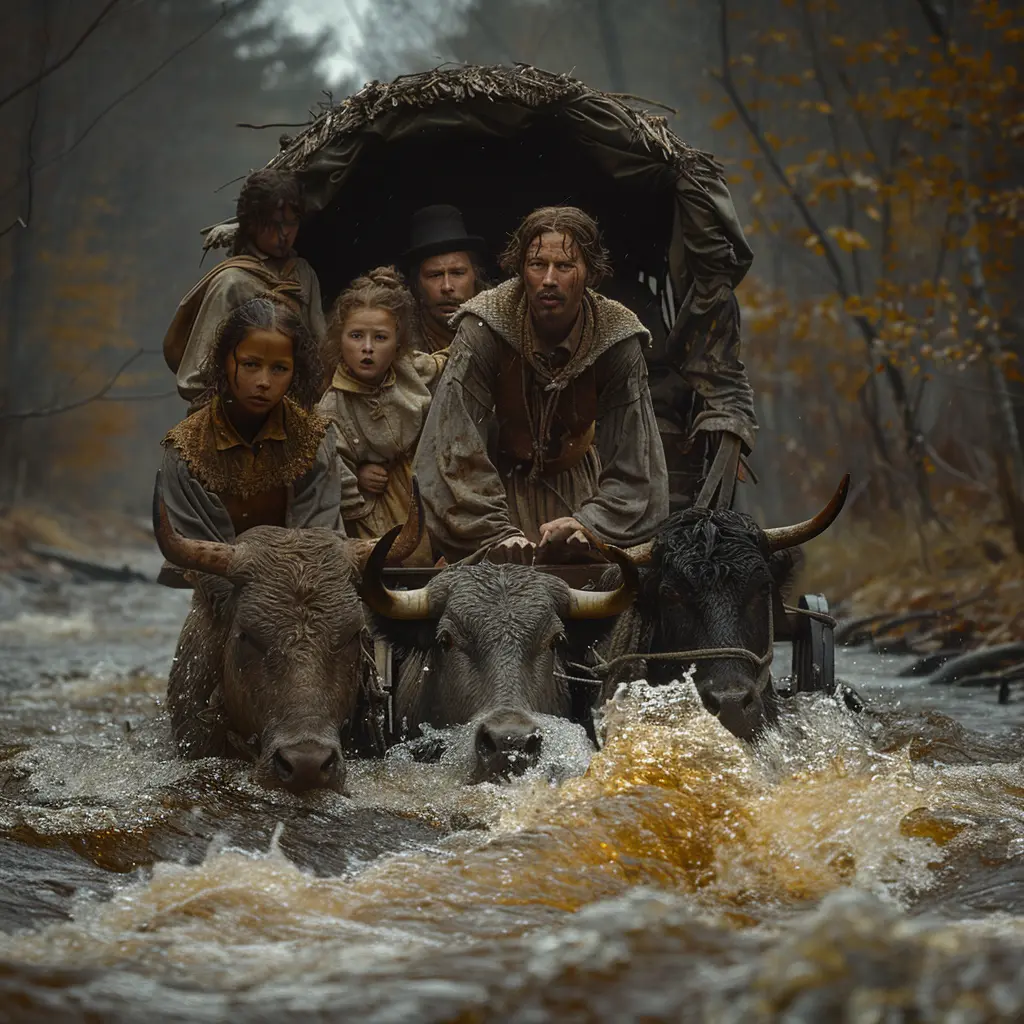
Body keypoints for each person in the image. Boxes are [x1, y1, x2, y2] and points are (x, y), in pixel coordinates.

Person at [413, 205, 669, 563]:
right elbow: (451, 448)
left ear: (590, 273)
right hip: (494, 494)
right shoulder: (484, 327)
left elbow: (637, 470)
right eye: (537, 265)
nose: (549, 279)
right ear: (521, 271)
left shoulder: (616, 337)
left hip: (582, 490)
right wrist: (495, 533)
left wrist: (589, 525)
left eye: (564, 266)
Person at [158, 295, 353, 586]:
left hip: (300, 588)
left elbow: (318, 540)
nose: (264, 381)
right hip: (217, 594)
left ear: (294, 371)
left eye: (279, 369)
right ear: (225, 361)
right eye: (250, 364)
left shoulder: (315, 439)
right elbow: (199, 553)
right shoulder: (186, 451)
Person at [163, 169, 328, 406]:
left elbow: (319, 345)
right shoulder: (231, 282)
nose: (284, 234)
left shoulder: (303, 274)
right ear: (251, 224)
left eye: (292, 223)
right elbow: (196, 374)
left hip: (292, 409)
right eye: (273, 225)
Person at [317, 267, 446, 566]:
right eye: (356, 336)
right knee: (390, 563)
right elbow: (332, 470)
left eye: (380, 337)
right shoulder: (333, 406)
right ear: (341, 339)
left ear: (398, 344)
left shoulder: (408, 370)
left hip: (421, 486)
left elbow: (445, 364)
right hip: (373, 504)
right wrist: (359, 476)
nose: (367, 348)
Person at [403, 204, 488, 353]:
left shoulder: (500, 337)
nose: (447, 286)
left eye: (458, 273)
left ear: (475, 275)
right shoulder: (401, 346)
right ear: (416, 285)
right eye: (435, 275)